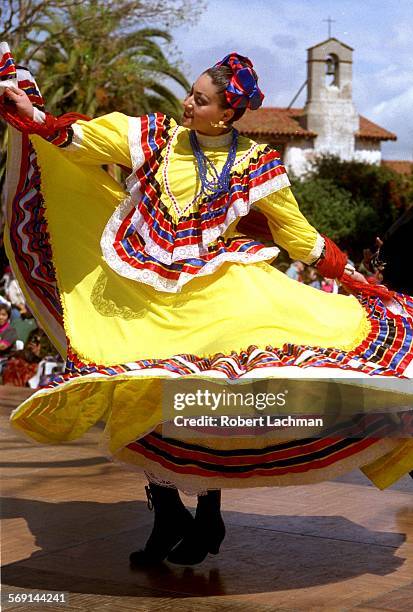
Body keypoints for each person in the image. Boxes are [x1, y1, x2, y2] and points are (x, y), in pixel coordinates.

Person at [1, 44, 412, 567]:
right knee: (138, 399)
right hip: (142, 297)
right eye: (189, 94)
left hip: (215, 296)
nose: (187, 104)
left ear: (229, 112)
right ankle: (168, 513)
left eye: (200, 99)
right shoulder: (154, 136)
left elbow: (298, 235)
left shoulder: (256, 165)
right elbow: (79, 138)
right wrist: (31, 113)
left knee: (204, 399)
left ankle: (206, 511)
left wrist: (351, 276)